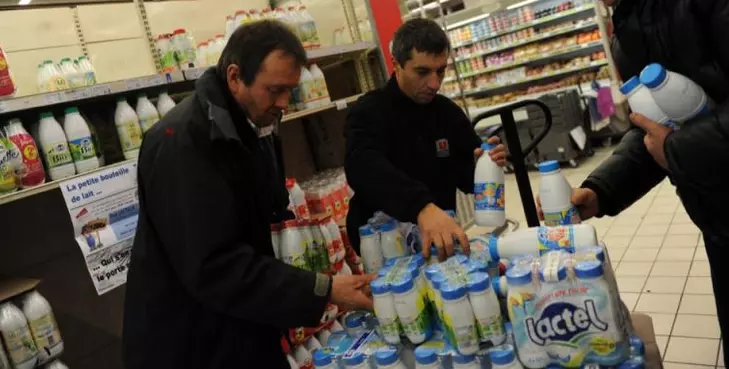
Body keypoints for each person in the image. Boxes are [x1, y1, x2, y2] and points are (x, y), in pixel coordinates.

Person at [541, 0, 729, 366]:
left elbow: (670, 140)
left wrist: (678, 149)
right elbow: (652, 127)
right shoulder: (629, 16)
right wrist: (600, 189)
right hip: (727, 222)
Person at [123, 20, 374, 369]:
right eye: (274, 90)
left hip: (237, 322)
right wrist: (324, 289)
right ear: (235, 76)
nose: (284, 102)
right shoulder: (183, 143)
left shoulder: (250, 122)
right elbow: (214, 266)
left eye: (290, 89)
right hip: (192, 342)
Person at [344, 18, 507, 260]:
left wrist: (482, 165)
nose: (434, 83)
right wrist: (421, 207)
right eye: (422, 72)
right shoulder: (369, 111)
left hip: (438, 242)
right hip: (386, 248)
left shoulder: (447, 112)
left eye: (440, 71)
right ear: (396, 64)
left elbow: (465, 178)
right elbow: (363, 168)